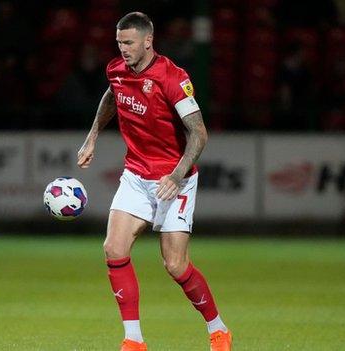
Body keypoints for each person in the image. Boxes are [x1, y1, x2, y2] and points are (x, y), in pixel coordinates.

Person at [77, 12, 231, 351]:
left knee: (175, 264)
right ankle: (134, 340)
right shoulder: (116, 70)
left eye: (129, 43)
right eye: (119, 43)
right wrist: (92, 136)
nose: (123, 50)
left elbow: (199, 134)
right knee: (113, 248)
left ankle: (218, 329)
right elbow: (111, 96)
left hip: (174, 178)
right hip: (135, 174)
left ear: (149, 40)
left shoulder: (172, 78)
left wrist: (177, 175)